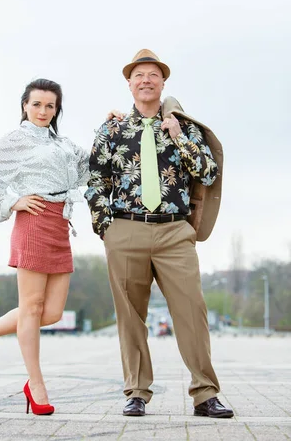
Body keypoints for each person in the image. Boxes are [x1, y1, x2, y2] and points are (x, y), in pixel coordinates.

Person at [0, 78, 121, 416]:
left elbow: (95, 166)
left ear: (57, 110)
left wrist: (107, 127)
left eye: (50, 106)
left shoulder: (65, 144)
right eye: (36, 104)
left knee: (50, 312)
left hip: (60, 225)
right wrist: (14, 201)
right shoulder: (16, 140)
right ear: (25, 105)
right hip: (33, 222)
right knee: (31, 307)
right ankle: (36, 384)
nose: (43, 111)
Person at [85, 49, 234, 419]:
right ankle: (136, 391)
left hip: (173, 233)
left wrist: (179, 137)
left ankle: (205, 393)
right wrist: (106, 227)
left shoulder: (186, 127)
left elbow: (208, 172)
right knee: (130, 316)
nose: (146, 80)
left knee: (192, 312)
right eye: (139, 75)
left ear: (163, 82)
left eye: (153, 75)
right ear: (130, 84)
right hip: (125, 229)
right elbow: (96, 179)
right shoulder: (112, 129)